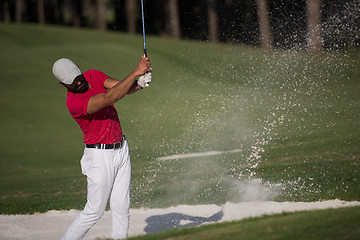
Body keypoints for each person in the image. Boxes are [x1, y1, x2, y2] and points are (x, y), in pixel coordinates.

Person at [52, 56, 152, 240]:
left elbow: (120, 88)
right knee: (94, 212)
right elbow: (111, 97)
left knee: (121, 208)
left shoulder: (92, 75)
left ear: (79, 68)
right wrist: (136, 72)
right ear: (62, 84)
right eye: (73, 83)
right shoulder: (74, 103)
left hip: (121, 149)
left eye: (78, 77)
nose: (79, 83)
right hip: (99, 157)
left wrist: (138, 84)